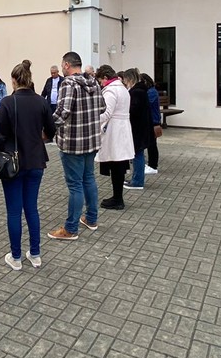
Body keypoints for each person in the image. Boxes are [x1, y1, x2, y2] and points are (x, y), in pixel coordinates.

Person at [0, 60, 55, 270]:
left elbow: (0, 137)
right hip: (37, 160)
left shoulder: (7, 103)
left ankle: (16, 256)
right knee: (32, 209)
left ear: (13, 81)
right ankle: (36, 254)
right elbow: (51, 130)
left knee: (14, 211)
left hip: (13, 162)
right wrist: (37, 140)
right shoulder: (41, 102)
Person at [47, 51, 104, 241]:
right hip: (92, 141)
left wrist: (45, 124)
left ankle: (71, 229)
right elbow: (102, 107)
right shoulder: (94, 82)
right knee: (89, 179)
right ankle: (91, 219)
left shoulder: (68, 84)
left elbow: (62, 113)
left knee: (75, 185)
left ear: (66, 65)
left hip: (72, 143)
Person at [94, 65, 133, 212]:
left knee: (116, 165)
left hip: (114, 131)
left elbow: (106, 112)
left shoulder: (111, 91)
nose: (100, 83)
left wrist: (93, 120)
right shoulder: (122, 88)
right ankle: (117, 197)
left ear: (105, 78)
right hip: (122, 128)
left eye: (100, 80)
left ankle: (118, 199)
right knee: (119, 165)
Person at [123, 68, 154, 191]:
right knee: (137, 154)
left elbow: (133, 111)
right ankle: (136, 179)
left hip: (138, 129)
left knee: (137, 154)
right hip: (141, 128)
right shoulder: (141, 91)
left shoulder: (136, 92)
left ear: (130, 79)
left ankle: (137, 181)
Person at [140, 72, 162, 174]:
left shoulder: (151, 92)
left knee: (152, 144)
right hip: (151, 120)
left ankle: (153, 165)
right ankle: (151, 164)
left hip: (153, 121)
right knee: (150, 144)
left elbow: (146, 103)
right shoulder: (150, 91)